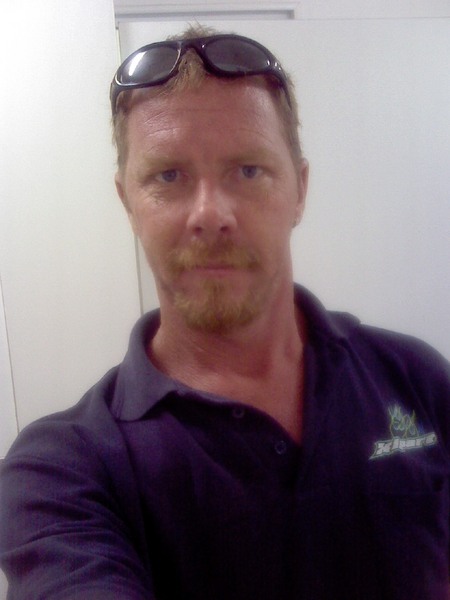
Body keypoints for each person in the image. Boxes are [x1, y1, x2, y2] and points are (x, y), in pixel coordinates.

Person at [1, 24, 449, 600]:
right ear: (128, 202)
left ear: (300, 190)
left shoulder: (414, 378)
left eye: (248, 170)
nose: (210, 215)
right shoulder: (61, 470)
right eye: (168, 176)